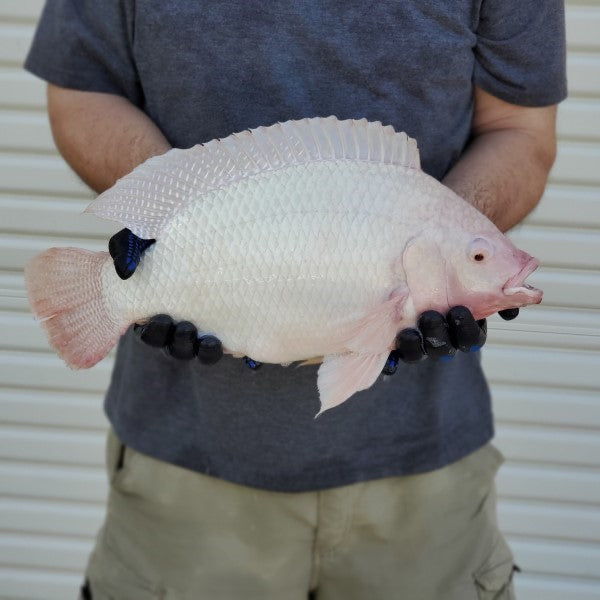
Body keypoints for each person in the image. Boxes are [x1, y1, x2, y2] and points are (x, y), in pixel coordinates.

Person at [25, 2, 566, 598]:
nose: (496, 260)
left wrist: (454, 233)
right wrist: (169, 213)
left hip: (426, 474)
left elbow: (521, 129)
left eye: (483, 257)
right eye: (484, 257)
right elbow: (80, 90)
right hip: (183, 468)